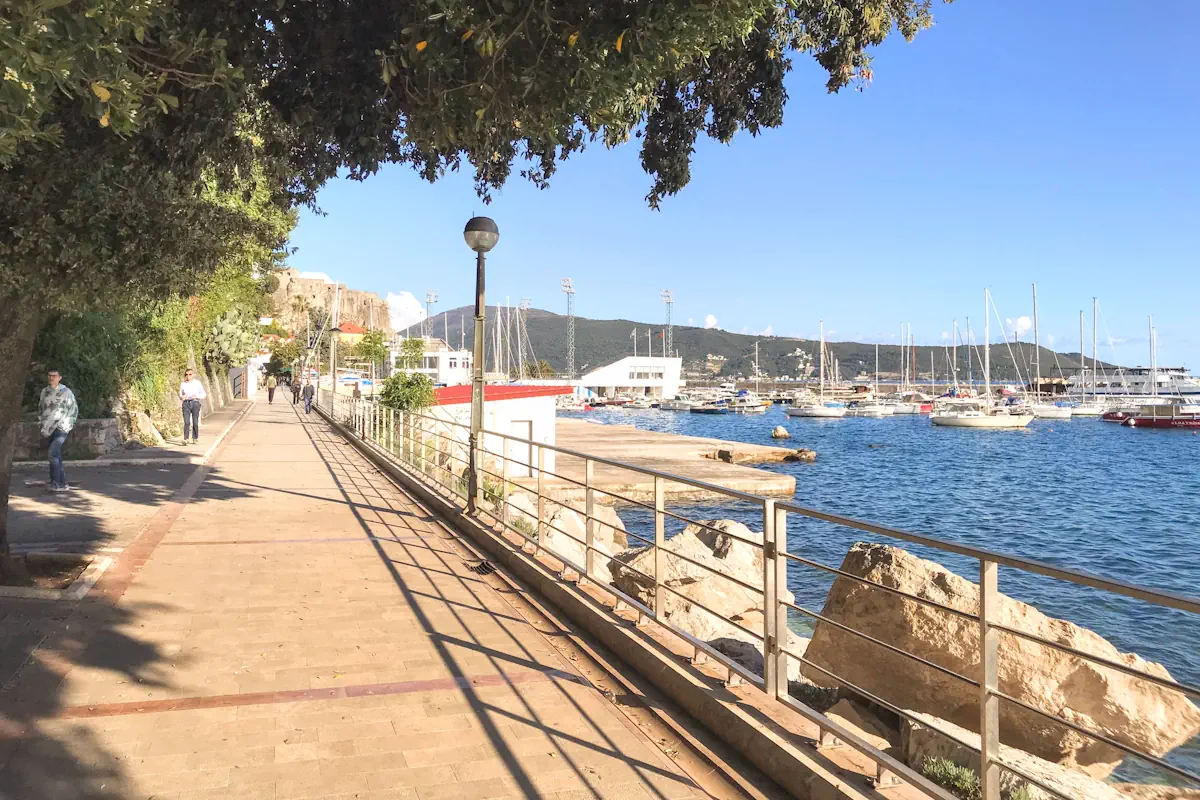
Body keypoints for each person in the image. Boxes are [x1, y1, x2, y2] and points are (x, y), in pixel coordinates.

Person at [39, 368, 78, 493]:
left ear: (59, 377)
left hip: (61, 428)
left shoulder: (66, 392)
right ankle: (61, 482)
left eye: (54, 376)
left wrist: (67, 424)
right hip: (48, 428)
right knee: (56, 456)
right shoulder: (44, 392)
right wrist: (41, 423)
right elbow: (41, 408)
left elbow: (73, 409)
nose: (51, 378)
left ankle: (55, 483)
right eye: (50, 375)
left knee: (52, 454)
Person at [179, 367, 207, 445]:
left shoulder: (197, 383)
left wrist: (197, 396)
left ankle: (195, 438)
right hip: (186, 403)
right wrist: (182, 397)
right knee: (187, 422)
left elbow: (203, 394)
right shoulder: (183, 384)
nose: (188, 376)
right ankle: (186, 439)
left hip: (195, 403)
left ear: (193, 375)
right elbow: (180, 394)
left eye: (190, 374)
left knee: (195, 422)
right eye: (186, 374)